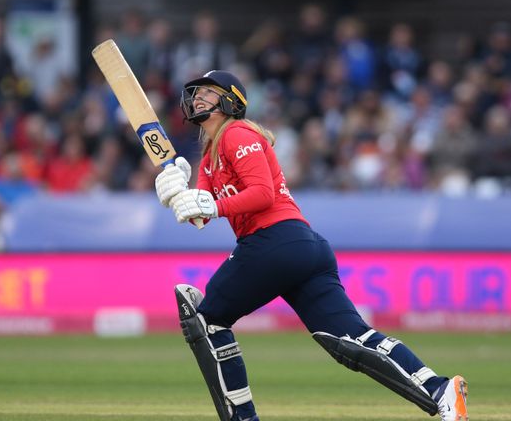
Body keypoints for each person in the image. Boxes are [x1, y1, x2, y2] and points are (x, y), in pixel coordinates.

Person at [155, 70, 468, 421]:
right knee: (350, 340)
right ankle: (441, 390)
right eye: (195, 93)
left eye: (208, 93)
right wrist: (176, 191)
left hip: (274, 240)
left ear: (231, 101)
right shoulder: (211, 154)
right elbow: (201, 214)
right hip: (301, 248)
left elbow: (261, 194)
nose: (197, 97)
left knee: (207, 321)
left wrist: (211, 205)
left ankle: (242, 418)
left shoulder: (237, 133)